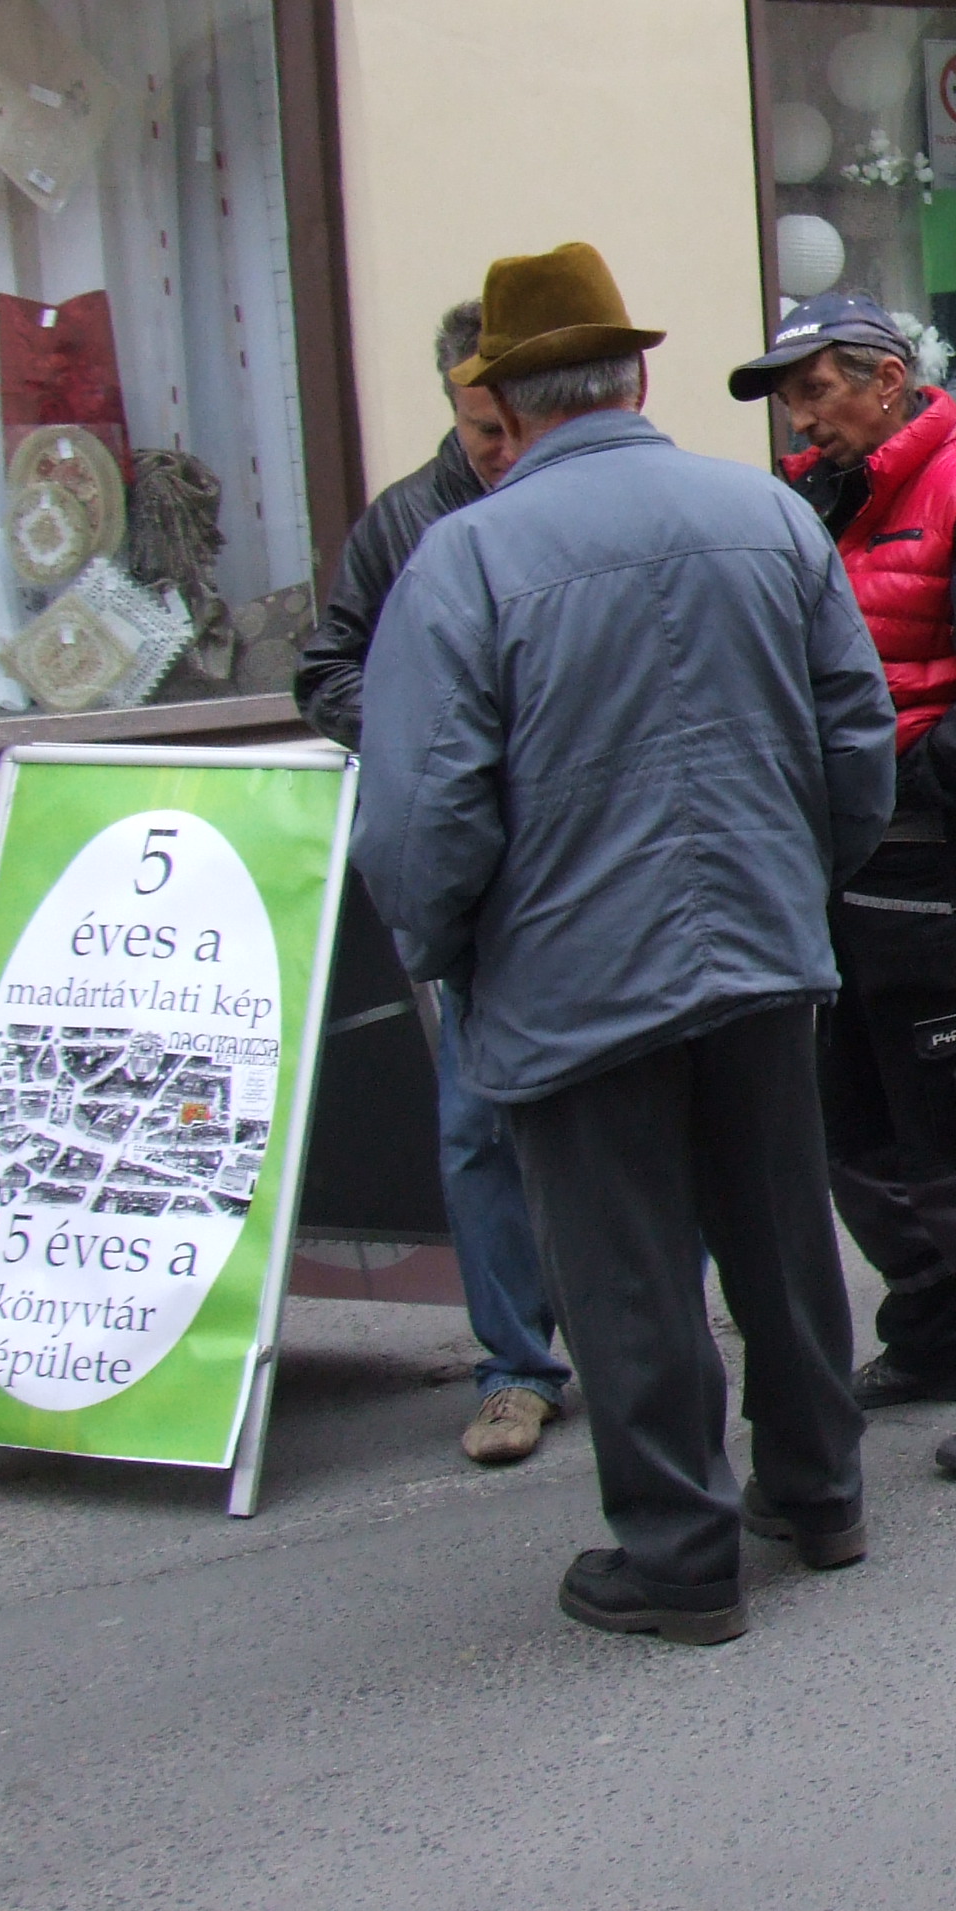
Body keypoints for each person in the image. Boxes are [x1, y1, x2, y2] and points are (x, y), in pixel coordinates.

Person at [358, 244, 894, 1645]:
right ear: (636, 381)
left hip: (570, 972)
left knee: (627, 1270)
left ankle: (679, 1555)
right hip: (760, 946)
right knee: (779, 1236)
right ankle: (821, 1495)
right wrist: (799, 882)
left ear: (506, 403)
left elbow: (422, 817)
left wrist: (450, 950)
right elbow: (857, 744)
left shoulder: (466, 558)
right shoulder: (765, 516)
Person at [728, 292, 956, 1480]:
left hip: (925, 868)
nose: (800, 419)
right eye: (789, 400)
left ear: (884, 381)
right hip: (833, 868)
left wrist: (905, 795)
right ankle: (936, 1334)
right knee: (853, 1134)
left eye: (814, 391)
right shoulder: (814, 501)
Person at [295, 301, 573, 1469]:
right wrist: (428, 728)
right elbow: (325, 670)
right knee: (476, 1125)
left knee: (629, 1116)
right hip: (476, 878)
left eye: (511, 425)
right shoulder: (404, 521)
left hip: (584, 864)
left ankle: (634, 1335)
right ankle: (514, 1367)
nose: (498, 450)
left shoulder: (576, 505)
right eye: (477, 429)